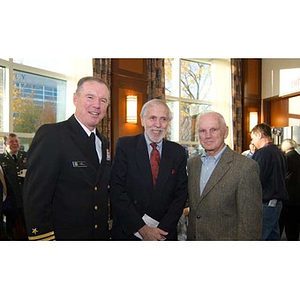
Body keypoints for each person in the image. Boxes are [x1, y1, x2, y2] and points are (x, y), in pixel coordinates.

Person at [23, 76, 111, 241]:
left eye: (103, 100)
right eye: (90, 97)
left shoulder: (103, 142)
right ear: (75, 99)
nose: (97, 105)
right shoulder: (52, 135)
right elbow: (35, 198)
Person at [110, 99, 188, 241]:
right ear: (142, 120)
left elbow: (180, 195)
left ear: (168, 123)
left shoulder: (178, 152)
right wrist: (142, 229)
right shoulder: (125, 146)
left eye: (163, 119)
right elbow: (117, 190)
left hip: (164, 233)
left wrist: (161, 230)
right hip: (130, 231)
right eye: (152, 118)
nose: (158, 125)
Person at [187, 111, 262, 240]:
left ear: (225, 132)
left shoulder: (246, 167)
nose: (208, 136)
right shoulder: (193, 164)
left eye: (214, 130)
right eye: (202, 131)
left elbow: (250, 224)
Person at [251, 123, 288, 241]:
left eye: (253, 138)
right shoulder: (279, 152)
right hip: (277, 203)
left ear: (260, 135)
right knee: (272, 237)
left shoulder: (263, 153)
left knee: (258, 237)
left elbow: (257, 179)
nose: (253, 142)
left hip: (266, 202)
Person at [0, 133, 28, 240]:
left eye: (16, 141)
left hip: (26, 200)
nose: (15, 143)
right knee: (12, 230)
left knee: (27, 228)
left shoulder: (27, 156)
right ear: (6, 144)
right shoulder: (1, 159)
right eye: (12, 141)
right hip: (10, 202)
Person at [279, 139, 300, 240]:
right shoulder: (298, 156)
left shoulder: (286, 158)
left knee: (281, 224)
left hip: (287, 196)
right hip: (297, 197)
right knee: (294, 227)